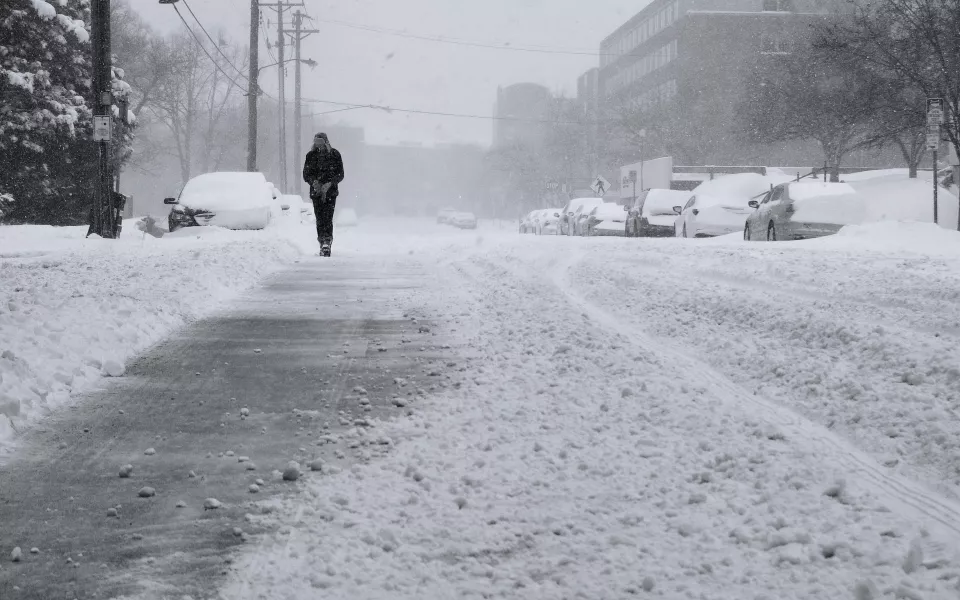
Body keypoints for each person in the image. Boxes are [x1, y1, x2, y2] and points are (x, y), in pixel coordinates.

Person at [302, 132, 345, 256]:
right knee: (319, 218)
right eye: (316, 142)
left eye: (320, 142)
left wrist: (330, 183)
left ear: (326, 142)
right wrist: (314, 182)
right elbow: (306, 174)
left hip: (330, 193)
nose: (318, 145)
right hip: (316, 192)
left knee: (328, 217)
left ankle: (327, 241)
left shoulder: (335, 154)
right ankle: (322, 241)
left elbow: (340, 174)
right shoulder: (310, 156)